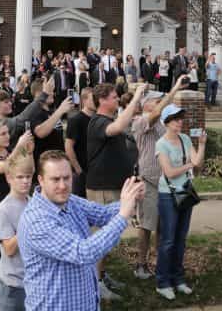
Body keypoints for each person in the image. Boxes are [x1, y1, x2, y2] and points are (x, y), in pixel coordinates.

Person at [17, 150, 145, 311]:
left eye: (67, 178)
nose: (63, 186)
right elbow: (83, 252)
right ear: (41, 180)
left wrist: (131, 198)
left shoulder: (70, 201)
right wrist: (123, 214)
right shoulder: (36, 221)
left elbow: (102, 214)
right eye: (55, 179)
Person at [86, 82, 145, 300]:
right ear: (101, 100)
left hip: (113, 187)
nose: (116, 100)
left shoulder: (109, 120)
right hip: (101, 189)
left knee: (110, 238)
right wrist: (137, 94)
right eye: (113, 97)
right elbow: (119, 127)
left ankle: (101, 275)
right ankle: (95, 284)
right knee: (101, 238)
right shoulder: (98, 122)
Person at [0, 122, 35, 311]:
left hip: (19, 203)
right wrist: (19, 146)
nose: (7, 136)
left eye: (7, 132)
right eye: (2, 133)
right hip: (0, 208)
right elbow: (6, 168)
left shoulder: (10, 151)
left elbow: (26, 170)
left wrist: (29, 152)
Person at [154, 104, 205, 300]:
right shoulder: (161, 144)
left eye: (181, 118)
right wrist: (190, 164)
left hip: (185, 192)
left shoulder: (184, 139)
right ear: (167, 122)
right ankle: (163, 281)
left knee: (181, 238)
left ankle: (178, 278)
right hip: (168, 194)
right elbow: (169, 172)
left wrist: (201, 144)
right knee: (168, 240)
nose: (180, 121)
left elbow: (198, 162)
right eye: (176, 119)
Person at [132, 79, 182, 279]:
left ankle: (160, 261)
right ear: (147, 104)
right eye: (158, 100)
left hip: (167, 182)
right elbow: (156, 114)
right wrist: (175, 88)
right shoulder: (141, 122)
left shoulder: (162, 124)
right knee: (147, 225)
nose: (162, 103)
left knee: (163, 225)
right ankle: (140, 264)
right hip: (149, 181)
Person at [0, 152, 35, 311]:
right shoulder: (4, 210)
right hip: (13, 284)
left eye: (28, 177)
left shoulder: (32, 202)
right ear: (9, 178)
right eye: (20, 177)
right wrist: (27, 223)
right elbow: (9, 249)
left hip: (33, 279)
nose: (25, 181)